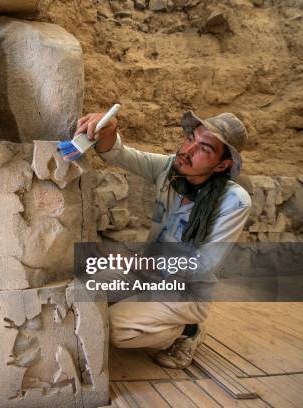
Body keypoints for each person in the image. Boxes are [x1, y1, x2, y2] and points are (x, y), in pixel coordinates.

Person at [74, 110, 252, 369]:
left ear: (223, 165)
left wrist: (134, 262)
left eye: (203, 148)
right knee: (82, 290)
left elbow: (203, 265)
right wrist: (109, 130)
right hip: (146, 276)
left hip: (186, 291)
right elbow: (118, 154)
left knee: (113, 328)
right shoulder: (170, 170)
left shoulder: (235, 201)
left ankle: (187, 331)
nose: (188, 150)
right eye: (190, 138)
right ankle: (149, 311)